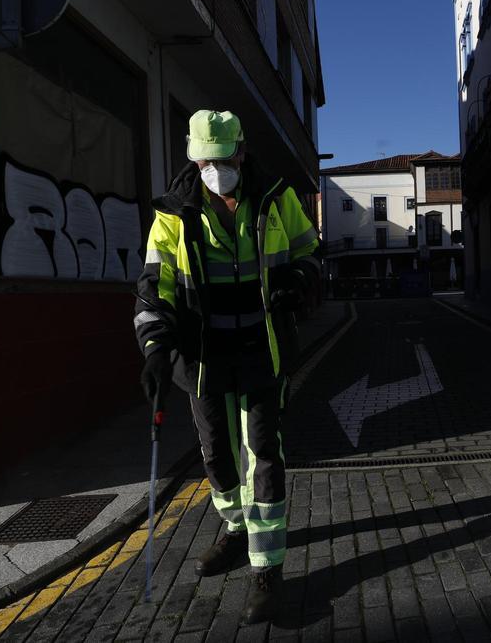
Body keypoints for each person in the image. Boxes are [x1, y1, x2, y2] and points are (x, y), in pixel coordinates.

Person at [133, 109, 320, 622]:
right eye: (205, 161)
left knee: (263, 454)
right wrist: (154, 349)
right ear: (194, 161)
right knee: (216, 454)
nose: (216, 169)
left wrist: (299, 281)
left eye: (224, 158)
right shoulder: (172, 215)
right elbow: (155, 288)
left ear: (241, 151)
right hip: (204, 359)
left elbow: (311, 252)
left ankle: (267, 567)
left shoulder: (277, 199)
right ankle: (236, 531)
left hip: (262, 350)